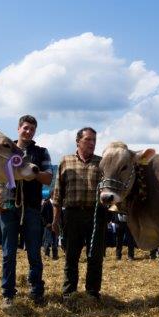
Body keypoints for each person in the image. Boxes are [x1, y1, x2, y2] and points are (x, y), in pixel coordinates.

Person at [0, 115, 52, 308]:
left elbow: (48, 178)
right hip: (9, 206)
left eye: (32, 129)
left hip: (32, 208)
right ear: (18, 128)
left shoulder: (41, 152)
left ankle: (36, 291)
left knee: (34, 252)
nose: (28, 131)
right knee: (8, 253)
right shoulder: (7, 149)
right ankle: (8, 294)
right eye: (25, 128)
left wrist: (31, 171)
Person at [51, 127, 105, 300]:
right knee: (71, 256)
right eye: (88, 139)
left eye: (94, 140)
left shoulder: (102, 163)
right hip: (72, 215)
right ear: (78, 141)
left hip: (96, 215)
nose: (92, 143)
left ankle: (92, 293)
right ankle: (69, 293)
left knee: (95, 257)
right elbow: (57, 194)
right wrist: (55, 220)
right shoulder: (65, 161)